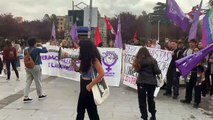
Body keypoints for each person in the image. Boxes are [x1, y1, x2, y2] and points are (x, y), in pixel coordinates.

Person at [71, 40, 104, 120]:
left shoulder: (94, 60)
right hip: (83, 85)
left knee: (92, 112)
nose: (79, 49)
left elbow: (101, 73)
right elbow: (83, 72)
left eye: (81, 47)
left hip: (89, 86)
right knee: (80, 111)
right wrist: (75, 66)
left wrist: (90, 85)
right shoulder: (85, 58)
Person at [133, 47, 161, 120]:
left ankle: (144, 116)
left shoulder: (138, 61)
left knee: (142, 100)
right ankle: (153, 115)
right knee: (151, 99)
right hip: (151, 83)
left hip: (141, 82)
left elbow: (136, 70)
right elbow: (157, 71)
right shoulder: (153, 60)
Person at [23, 37, 48, 102]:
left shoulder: (26, 50)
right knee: (38, 81)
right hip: (36, 66)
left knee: (28, 81)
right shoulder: (36, 49)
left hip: (28, 67)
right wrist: (42, 45)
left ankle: (26, 96)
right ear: (35, 43)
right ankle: (40, 94)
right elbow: (45, 51)